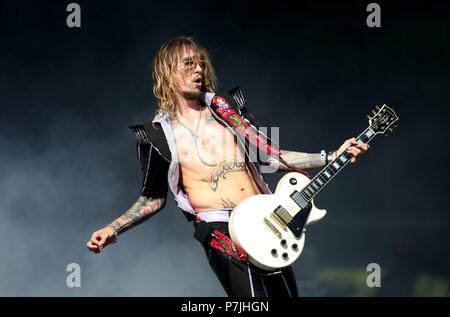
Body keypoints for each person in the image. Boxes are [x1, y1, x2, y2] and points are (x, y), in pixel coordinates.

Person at [86, 36, 370, 297]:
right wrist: (114, 229)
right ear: (167, 71)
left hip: (268, 220)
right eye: (188, 63)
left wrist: (331, 155)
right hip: (220, 228)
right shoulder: (155, 135)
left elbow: (271, 157)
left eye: (201, 64)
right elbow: (153, 197)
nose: (198, 70)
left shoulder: (228, 110)